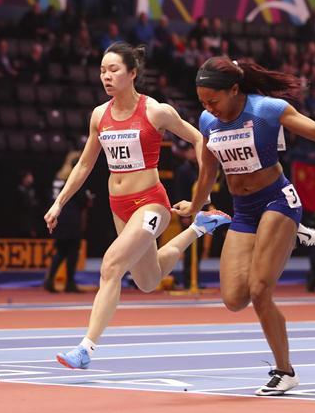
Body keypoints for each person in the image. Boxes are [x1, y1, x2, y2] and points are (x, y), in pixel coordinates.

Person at [174, 55, 315, 395]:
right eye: (203, 102)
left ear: (234, 89)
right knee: (234, 298)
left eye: (214, 100)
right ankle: (288, 238)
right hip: (244, 210)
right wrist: (195, 206)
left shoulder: (266, 109)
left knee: (259, 291)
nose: (209, 108)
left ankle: (285, 370)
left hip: (277, 201)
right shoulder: (209, 121)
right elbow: (208, 171)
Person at [47, 42, 231, 369]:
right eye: (102, 70)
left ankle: (86, 348)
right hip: (119, 205)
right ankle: (199, 228)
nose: (106, 76)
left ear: (132, 73)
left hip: (151, 205)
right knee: (148, 280)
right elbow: (85, 165)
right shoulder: (99, 116)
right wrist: (59, 202)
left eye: (114, 70)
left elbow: (200, 138)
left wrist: (205, 183)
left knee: (111, 265)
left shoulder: (156, 111)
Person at [43, 150, 91, 293]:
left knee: (61, 251)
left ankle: (50, 280)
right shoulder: (73, 180)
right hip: (71, 219)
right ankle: (69, 283)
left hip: (58, 218)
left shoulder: (58, 178)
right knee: (72, 252)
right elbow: (82, 199)